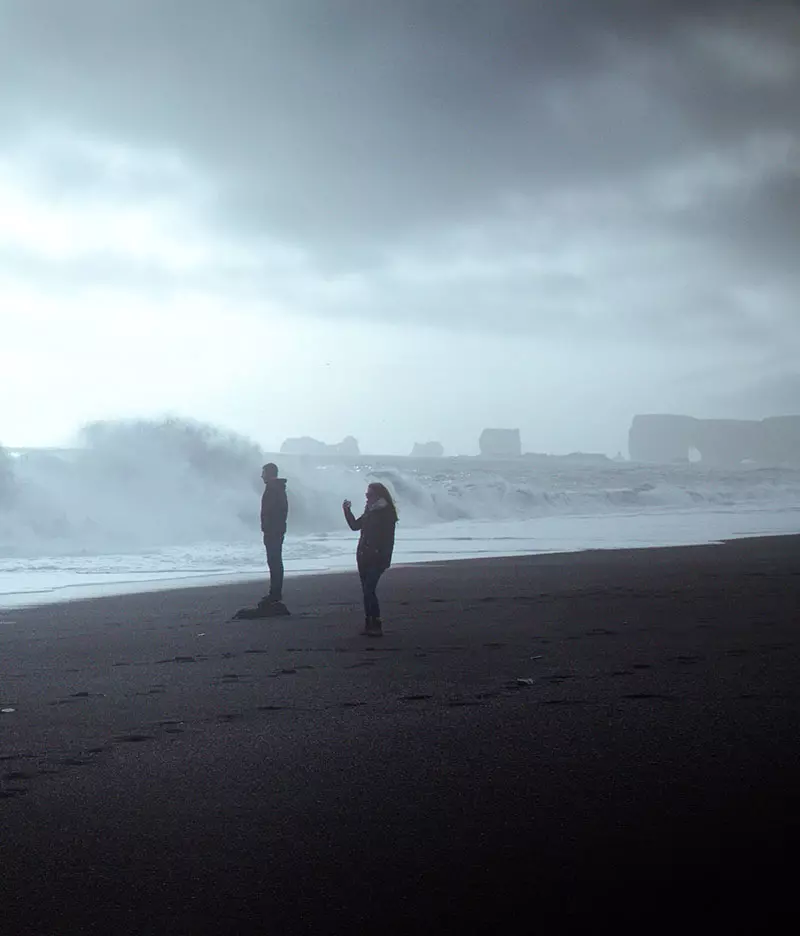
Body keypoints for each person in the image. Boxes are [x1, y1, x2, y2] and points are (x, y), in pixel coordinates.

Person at [342, 482, 398, 637]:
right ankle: (369, 622)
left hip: (377, 557)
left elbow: (388, 539)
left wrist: (384, 557)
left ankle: (376, 623)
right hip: (363, 555)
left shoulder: (386, 513)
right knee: (366, 590)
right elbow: (355, 526)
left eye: (369, 495)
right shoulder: (370, 511)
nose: (367, 498)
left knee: (369, 589)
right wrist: (347, 511)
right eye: (366, 495)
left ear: (378, 495)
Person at [260, 462, 288, 604]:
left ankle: (275, 593)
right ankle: (275, 592)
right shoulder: (277, 488)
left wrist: (270, 528)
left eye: (263, 473)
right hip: (275, 530)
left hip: (273, 531)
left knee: (274, 561)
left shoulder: (273, 489)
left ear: (269, 474)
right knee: (274, 561)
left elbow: (274, 511)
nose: (261, 476)